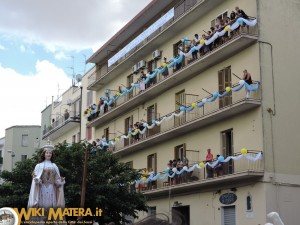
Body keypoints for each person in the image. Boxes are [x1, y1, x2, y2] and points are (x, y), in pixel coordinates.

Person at [28, 143, 65, 216]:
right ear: (44, 154)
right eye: (47, 153)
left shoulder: (54, 166)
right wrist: (37, 180)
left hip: (51, 189)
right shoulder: (39, 166)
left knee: (51, 206)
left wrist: (61, 181)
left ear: (52, 155)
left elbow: (57, 180)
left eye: (50, 153)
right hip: (42, 188)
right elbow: (36, 178)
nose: (48, 154)